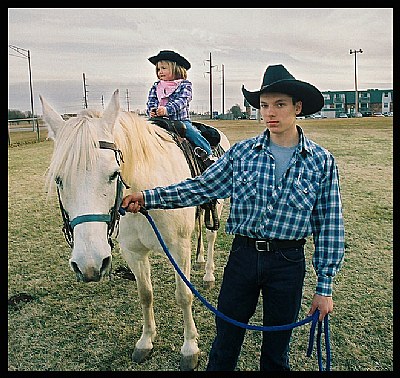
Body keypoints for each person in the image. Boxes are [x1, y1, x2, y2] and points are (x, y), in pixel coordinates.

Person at [121, 64, 345, 371]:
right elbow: (199, 188)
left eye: (279, 104)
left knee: (277, 352)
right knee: (225, 344)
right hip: (244, 257)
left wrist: (325, 288)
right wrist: (148, 197)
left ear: (297, 107)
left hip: (288, 263)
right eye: (264, 105)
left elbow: (329, 224)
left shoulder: (320, 162)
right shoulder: (241, 155)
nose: (270, 113)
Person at [146, 49, 215, 164]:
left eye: (164, 68)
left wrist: (167, 110)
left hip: (179, 121)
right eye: (158, 69)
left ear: (175, 69)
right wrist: (152, 110)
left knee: (192, 133)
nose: (160, 72)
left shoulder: (184, 85)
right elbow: (151, 100)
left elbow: (182, 101)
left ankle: (208, 156)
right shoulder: (156, 86)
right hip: (158, 120)